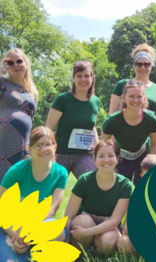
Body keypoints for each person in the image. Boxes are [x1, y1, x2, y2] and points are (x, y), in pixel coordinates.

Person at [0, 126, 68, 262]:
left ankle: (37, 253)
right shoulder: (17, 171)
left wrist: (29, 233)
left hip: (38, 225)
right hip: (12, 226)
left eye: (48, 144)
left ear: (54, 147)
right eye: (38, 145)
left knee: (58, 232)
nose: (43, 149)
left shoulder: (61, 173)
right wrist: (16, 234)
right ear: (29, 148)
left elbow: (52, 209)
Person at [64, 140, 132, 255]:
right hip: (84, 223)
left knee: (109, 242)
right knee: (83, 220)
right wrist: (65, 243)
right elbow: (68, 216)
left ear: (117, 158)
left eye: (111, 155)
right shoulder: (85, 180)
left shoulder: (125, 185)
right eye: (101, 156)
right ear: (94, 159)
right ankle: (78, 253)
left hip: (108, 227)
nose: (106, 160)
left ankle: (95, 252)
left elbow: (114, 222)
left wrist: (87, 233)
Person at [109, 43, 156, 156]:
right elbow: (112, 114)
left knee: (149, 173)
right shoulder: (122, 85)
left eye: (146, 64)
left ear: (151, 66)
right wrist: (112, 142)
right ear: (134, 65)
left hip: (151, 143)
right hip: (124, 142)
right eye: (139, 64)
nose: (142, 67)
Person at [46, 61, 100, 179]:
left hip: (83, 155)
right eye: (79, 76)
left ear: (92, 78)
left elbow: (92, 125)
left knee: (94, 182)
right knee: (50, 189)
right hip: (60, 154)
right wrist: (48, 152)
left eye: (86, 75)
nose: (83, 80)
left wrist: (96, 147)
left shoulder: (95, 101)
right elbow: (49, 129)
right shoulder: (63, 99)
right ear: (73, 79)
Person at [102, 80, 156, 185]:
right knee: (120, 188)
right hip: (121, 158)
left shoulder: (151, 120)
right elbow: (104, 144)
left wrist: (151, 167)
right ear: (124, 98)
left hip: (143, 155)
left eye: (139, 96)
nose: (135, 100)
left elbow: (155, 145)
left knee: (142, 188)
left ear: (144, 98)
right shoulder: (112, 121)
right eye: (131, 96)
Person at [0, 48, 38, 181]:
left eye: (19, 61)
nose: (16, 65)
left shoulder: (31, 91)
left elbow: (30, 119)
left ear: (26, 63)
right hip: (2, 142)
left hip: (21, 145)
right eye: (10, 63)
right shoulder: (2, 83)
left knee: (16, 183)